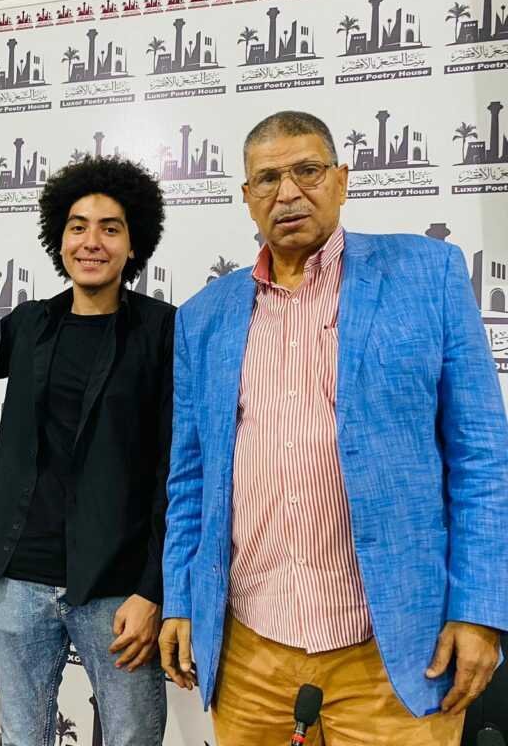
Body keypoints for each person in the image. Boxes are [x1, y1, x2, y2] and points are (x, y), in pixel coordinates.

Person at [159, 110, 508, 745]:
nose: (288, 192)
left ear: (342, 181)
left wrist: (480, 610)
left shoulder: (427, 274)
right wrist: (181, 599)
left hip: (395, 650)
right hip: (248, 653)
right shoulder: (203, 317)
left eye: (308, 171)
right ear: (247, 197)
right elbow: (190, 478)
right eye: (268, 179)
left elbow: (482, 456)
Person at [0, 156, 174, 746]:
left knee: (133, 737)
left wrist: (152, 589)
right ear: (58, 238)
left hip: (117, 585)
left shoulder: (163, 331)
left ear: (133, 243)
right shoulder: (28, 325)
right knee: (21, 738)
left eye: (110, 228)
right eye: (78, 226)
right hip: (21, 575)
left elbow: (176, 469)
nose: (92, 242)